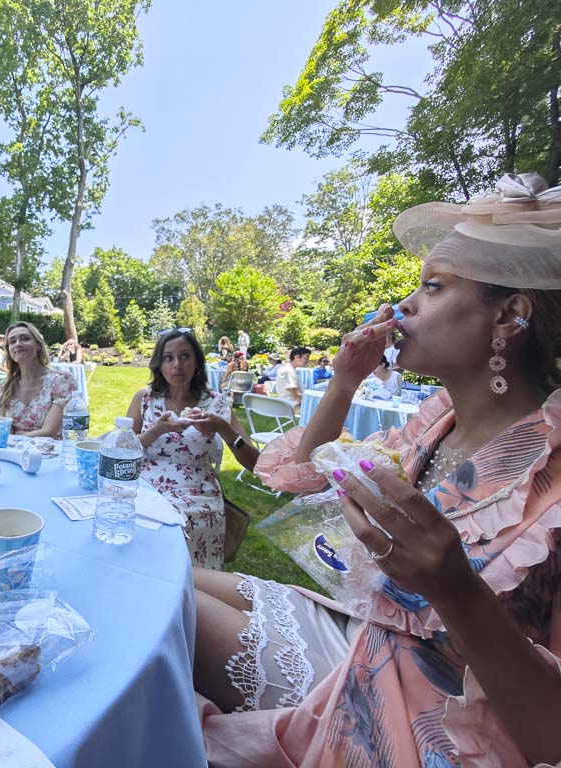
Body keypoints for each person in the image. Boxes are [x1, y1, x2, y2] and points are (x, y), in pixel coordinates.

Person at [193, 172, 561, 766]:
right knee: (173, 581)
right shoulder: (432, 428)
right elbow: (297, 474)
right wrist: (345, 380)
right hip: (360, 645)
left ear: (509, 316)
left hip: (418, 731)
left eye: (433, 287)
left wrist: (456, 590)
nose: (405, 304)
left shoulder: (550, 485)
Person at [126, 329, 259, 570]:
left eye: (185, 356)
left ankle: (191, 586)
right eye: (168, 358)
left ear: (197, 362)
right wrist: (157, 430)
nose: (177, 364)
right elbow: (122, 450)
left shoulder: (216, 403)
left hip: (197, 491)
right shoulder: (145, 398)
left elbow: (255, 464)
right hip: (145, 486)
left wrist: (224, 428)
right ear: (159, 365)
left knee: (181, 526)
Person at [0, 321, 76, 438]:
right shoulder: (5, 387)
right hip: (11, 447)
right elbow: (3, 428)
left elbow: (49, 431)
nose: (18, 344)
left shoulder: (60, 381)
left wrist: (13, 440)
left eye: (25, 338)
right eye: (12, 341)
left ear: (38, 345)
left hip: (48, 447)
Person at [273, 345, 311, 410]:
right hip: (293, 406)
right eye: (306, 357)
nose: (308, 361)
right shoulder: (289, 371)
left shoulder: (288, 369)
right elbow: (296, 395)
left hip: (288, 404)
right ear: (297, 357)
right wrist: (311, 401)